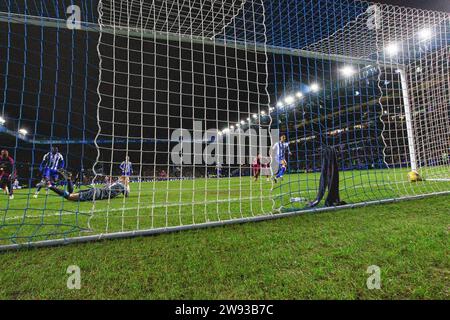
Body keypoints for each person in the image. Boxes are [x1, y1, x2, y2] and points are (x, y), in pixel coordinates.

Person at [48, 169, 130, 202]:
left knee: (71, 193)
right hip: (96, 194)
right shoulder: (122, 186)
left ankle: (69, 179)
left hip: (95, 191)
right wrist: (127, 184)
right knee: (70, 197)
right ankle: (50, 186)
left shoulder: (114, 183)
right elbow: (127, 194)